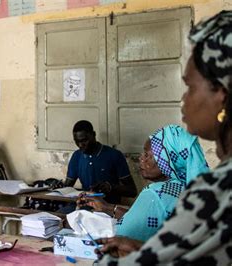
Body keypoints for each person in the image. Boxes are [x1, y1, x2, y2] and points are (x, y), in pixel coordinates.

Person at [95, 11, 232, 265]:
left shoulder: (217, 190)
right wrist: (144, 248)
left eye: (190, 87)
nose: (184, 99)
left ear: (221, 95)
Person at [79, 125, 209, 242]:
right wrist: (107, 207)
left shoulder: (157, 194)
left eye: (147, 154)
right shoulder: (188, 188)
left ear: (166, 160)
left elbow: (124, 234)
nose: (141, 158)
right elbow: (145, 221)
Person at [65, 120, 137, 204]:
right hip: (84, 206)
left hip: (108, 208)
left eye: (84, 140)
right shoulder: (77, 156)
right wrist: (57, 188)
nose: (80, 145)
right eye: (77, 141)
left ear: (93, 135)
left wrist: (110, 187)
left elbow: (132, 191)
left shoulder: (114, 155)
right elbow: (66, 188)